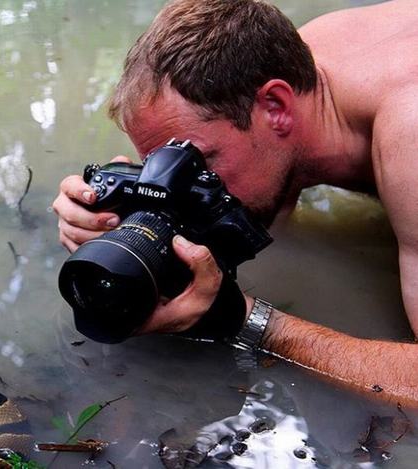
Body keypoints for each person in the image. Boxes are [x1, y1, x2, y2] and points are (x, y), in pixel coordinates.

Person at [53, 0, 418, 404]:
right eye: (160, 161)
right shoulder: (284, 76)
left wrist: (247, 321)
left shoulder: (410, 136)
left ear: (275, 108)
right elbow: (268, 231)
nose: (183, 178)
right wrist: (120, 223)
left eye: (200, 162)